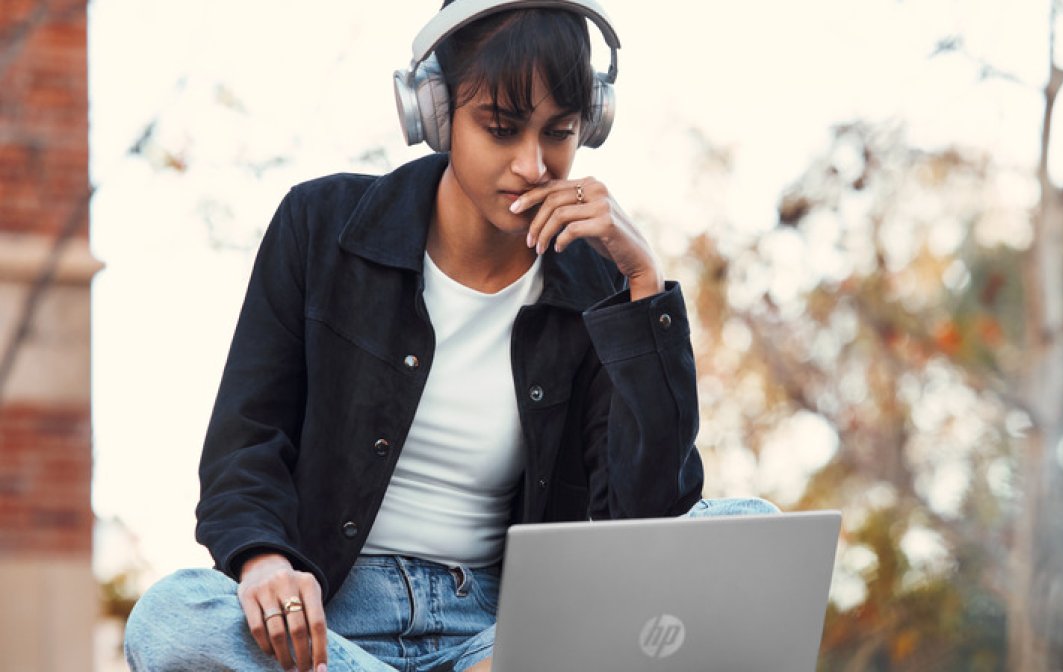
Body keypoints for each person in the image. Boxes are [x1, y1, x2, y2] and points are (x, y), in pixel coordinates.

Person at [124, 1, 776, 671]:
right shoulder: (320, 226)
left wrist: (642, 285)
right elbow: (245, 444)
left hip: (500, 637)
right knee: (173, 617)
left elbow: (649, 523)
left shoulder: (597, 285)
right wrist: (263, 563)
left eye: (559, 131)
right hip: (327, 625)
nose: (533, 164)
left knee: (746, 527)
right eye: (500, 127)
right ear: (435, 112)